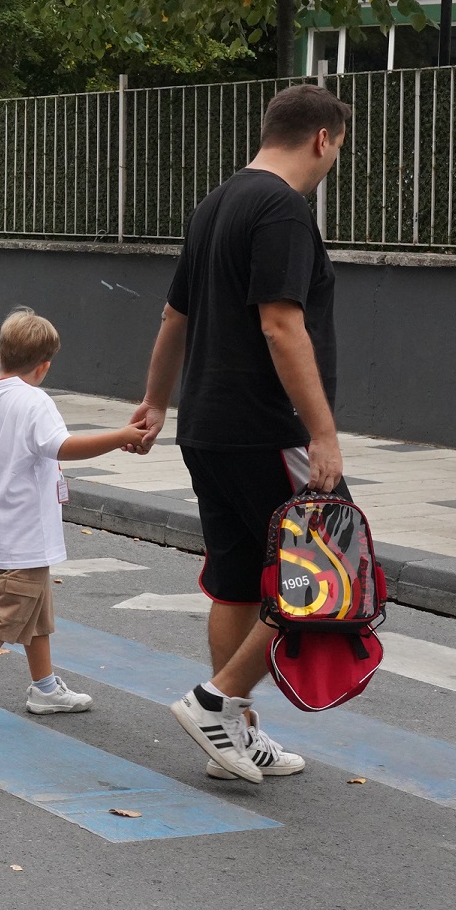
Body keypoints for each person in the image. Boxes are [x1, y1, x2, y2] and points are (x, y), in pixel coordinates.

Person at [130, 83, 351, 783]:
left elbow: (175, 318)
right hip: (266, 428)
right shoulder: (283, 209)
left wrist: (155, 403)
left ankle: (232, 732)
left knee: (235, 583)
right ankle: (215, 702)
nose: (333, 160)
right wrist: (322, 432)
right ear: (322, 139)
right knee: (329, 574)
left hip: (206, 424)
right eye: (338, 148)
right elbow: (281, 324)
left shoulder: (216, 202)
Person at [0, 309, 147, 729]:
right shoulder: (35, 401)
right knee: (4, 619)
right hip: (27, 539)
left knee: (35, 614)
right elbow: (63, 447)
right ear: (44, 367)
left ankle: (46, 688)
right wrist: (121, 437)